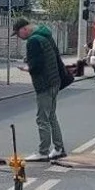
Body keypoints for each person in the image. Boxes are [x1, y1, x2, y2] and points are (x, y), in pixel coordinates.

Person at [14, 18, 68, 161]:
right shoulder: (45, 35)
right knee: (51, 116)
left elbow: (37, 65)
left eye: (18, 33)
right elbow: (50, 56)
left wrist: (26, 68)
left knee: (42, 118)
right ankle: (59, 148)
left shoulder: (33, 41)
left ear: (24, 29)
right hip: (55, 81)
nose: (19, 37)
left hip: (44, 84)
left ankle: (43, 152)